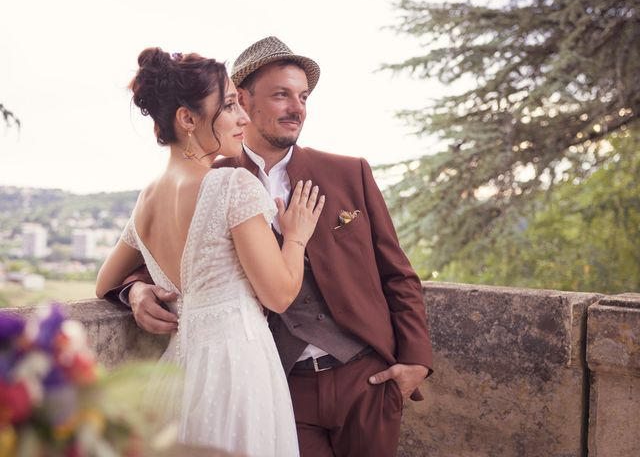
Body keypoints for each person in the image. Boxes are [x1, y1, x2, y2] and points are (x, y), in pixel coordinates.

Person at [105, 37, 434, 457]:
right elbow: (172, 260)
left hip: (365, 379)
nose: (297, 108)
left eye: (303, 96)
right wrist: (133, 290)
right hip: (278, 383)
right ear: (243, 99)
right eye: (281, 95)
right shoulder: (213, 179)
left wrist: (417, 361)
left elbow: (397, 273)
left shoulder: (349, 172)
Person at [96, 47, 325, 456]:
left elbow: (104, 283)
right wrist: (296, 236)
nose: (243, 118)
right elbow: (279, 294)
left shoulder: (146, 199)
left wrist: (136, 291)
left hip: (178, 372)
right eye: (231, 106)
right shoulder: (231, 185)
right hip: (237, 369)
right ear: (187, 119)